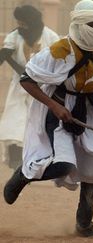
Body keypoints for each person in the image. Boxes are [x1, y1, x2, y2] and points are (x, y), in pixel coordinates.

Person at [3, 0, 93, 237]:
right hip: (61, 107)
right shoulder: (60, 49)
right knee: (63, 165)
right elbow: (27, 79)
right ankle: (23, 175)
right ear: (81, 25)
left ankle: (84, 222)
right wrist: (54, 106)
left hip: (92, 107)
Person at [0, 5, 59, 170]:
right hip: (19, 87)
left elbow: (58, 59)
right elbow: (5, 54)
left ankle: (35, 163)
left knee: (37, 126)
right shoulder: (15, 36)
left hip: (43, 89)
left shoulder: (50, 36)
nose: (20, 26)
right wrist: (21, 70)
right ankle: (16, 162)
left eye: (23, 23)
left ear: (31, 22)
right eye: (18, 23)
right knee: (14, 123)